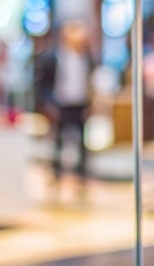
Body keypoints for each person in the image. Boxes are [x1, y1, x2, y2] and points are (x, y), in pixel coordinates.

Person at [37, 20, 94, 189]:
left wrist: (91, 103)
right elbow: (43, 83)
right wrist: (48, 104)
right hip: (61, 102)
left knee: (82, 141)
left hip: (80, 102)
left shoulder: (86, 57)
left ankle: (82, 174)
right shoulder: (53, 56)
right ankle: (56, 173)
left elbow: (90, 80)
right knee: (58, 141)